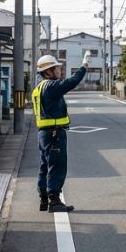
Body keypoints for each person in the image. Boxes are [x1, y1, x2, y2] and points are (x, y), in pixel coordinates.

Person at [32, 52, 87, 213]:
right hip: (54, 134)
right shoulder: (51, 86)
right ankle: (54, 201)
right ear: (48, 72)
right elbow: (71, 82)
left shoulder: (39, 88)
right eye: (56, 68)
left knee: (45, 165)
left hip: (44, 134)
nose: (60, 70)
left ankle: (44, 199)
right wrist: (83, 67)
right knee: (57, 165)